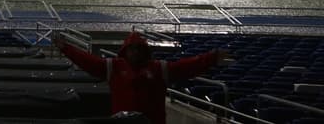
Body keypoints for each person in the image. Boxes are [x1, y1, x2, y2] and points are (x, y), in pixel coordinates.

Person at [55, 31, 230, 124]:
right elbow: (89, 61)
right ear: (126, 51)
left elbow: (187, 67)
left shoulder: (159, 69)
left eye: (139, 49)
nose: (135, 53)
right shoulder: (113, 67)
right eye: (133, 49)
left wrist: (211, 58)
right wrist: (67, 49)